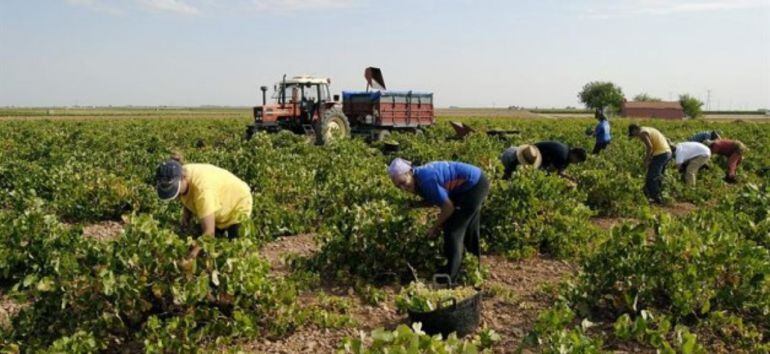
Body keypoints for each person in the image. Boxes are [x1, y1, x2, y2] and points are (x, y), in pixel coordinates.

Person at [388, 158, 489, 282]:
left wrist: (434, 227)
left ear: (409, 173)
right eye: (398, 186)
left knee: (453, 231)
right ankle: (473, 268)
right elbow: (435, 198)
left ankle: (450, 277)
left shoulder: (426, 180)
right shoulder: (418, 178)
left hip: (474, 185)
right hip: (473, 183)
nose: (403, 188)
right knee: (468, 227)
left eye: (403, 182)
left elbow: (448, 207)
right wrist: (414, 204)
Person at [156, 156, 253, 240]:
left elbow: (209, 234)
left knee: (233, 243)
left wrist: (191, 257)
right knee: (203, 232)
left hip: (238, 201)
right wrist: (186, 218)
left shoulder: (202, 191)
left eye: (174, 189)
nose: (175, 196)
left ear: (182, 178)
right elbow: (187, 194)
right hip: (217, 196)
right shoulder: (179, 171)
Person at [628, 124, 671, 204]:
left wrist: (646, 160)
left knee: (652, 177)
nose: (635, 136)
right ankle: (659, 196)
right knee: (658, 176)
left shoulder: (642, 133)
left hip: (661, 154)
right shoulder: (647, 129)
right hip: (667, 152)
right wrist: (650, 157)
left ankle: (655, 198)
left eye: (633, 134)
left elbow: (650, 147)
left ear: (634, 130)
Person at [500, 141, 587, 180]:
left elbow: (560, 171)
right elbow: (550, 172)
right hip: (529, 155)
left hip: (530, 154)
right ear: (575, 155)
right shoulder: (562, 156)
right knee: (512, 171)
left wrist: (569, 177)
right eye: (577, 161)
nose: (576, 163)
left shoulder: (567, 152)